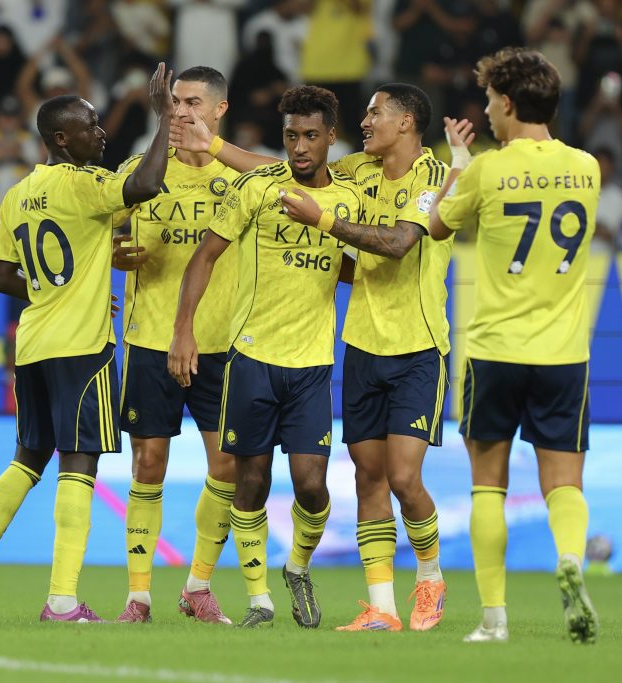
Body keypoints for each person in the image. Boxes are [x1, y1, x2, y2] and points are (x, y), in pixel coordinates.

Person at [171, 82, 455, 632]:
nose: (364, 123)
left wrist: (321, 225)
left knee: (401, 478)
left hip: (418, 346)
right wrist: (216, 146)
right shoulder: (355, 173)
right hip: (360, 347)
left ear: (406, 122)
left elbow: (398, 244)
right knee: (368, 480)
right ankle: (382, 608)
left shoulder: (436, 178)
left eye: (374, 114)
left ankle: (430, 579)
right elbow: (283, 165)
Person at [0, 63, 174, 623]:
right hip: (80, 348)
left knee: (27, 458)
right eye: (91, 126)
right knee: (79, 464)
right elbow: (144, 184)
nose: (101, 133)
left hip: (35, 345)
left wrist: (60, 288)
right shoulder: (85, 185)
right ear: (60, 139)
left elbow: (2, 276)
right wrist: (164, 116)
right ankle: (62, 599)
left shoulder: (18, 194)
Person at [168, 86, 362, 629]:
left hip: (311, 366)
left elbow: (357, 262)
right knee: (249, 483)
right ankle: (259, 600)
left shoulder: (347, 201)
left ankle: (297, 567)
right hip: (250, 359)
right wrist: (184, 329)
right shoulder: (257, 189)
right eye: (290, 137)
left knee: (312, 486)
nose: (299, 147)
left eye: (309, 136)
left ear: (330, 137)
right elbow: (204, 257)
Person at [428, 47, 600, 644]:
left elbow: (435, 225)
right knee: (565, 483)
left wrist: (457, 161)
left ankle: (494, 620)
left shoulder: (487, 169)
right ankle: (572, 558)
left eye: (488, 102)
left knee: (487, 484)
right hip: (563, 352)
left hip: (497, 349)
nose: (485, 112)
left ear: (505, 103)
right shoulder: (588, 167)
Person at [110, 66, 239, 626]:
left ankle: (198, 586)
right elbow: (99, 232)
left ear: (219, 111)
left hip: (220, 343)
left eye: (192, 102)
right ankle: (138, 597)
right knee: (149, 463)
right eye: (174, 102)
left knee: (228, 466)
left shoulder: (238, 177)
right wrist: (113, 257)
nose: (182, 111)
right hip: (148, 339)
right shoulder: (140, 174)